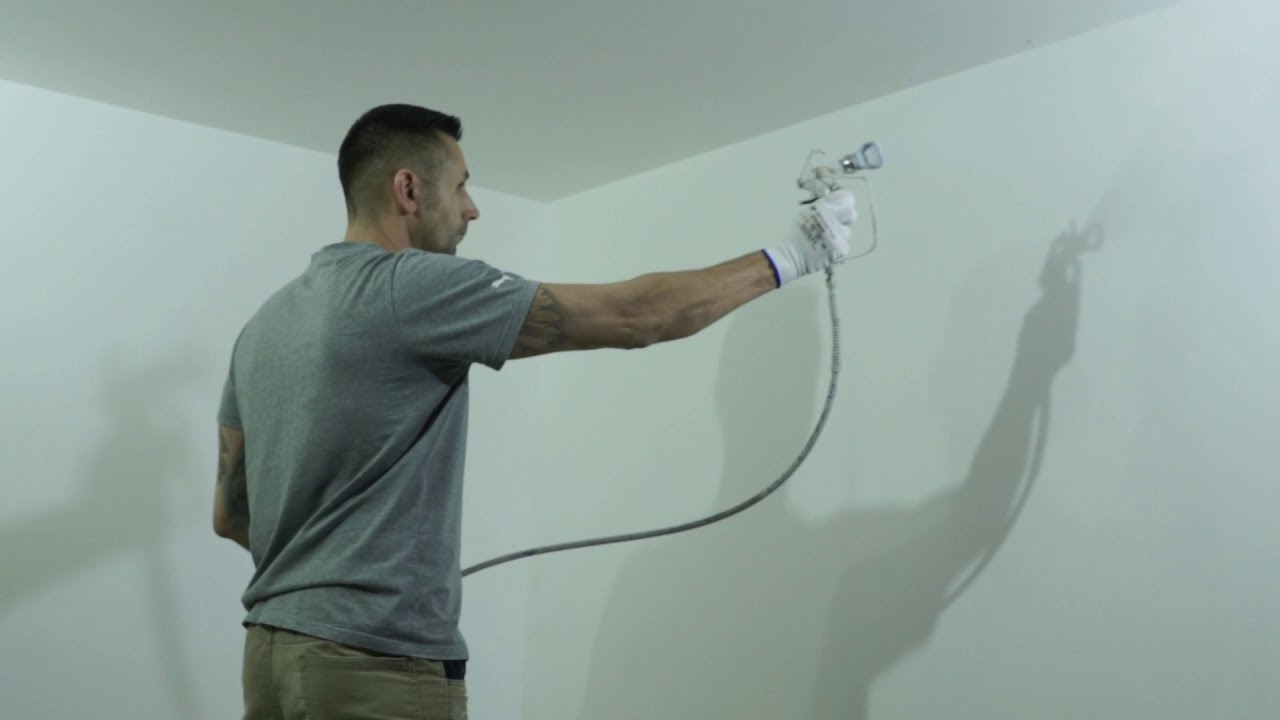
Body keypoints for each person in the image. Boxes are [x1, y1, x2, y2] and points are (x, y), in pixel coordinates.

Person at [213, 103, 857, 720]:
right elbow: (637, 316)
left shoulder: (264, 326)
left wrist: (320, 573)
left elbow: (230, 515)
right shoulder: (409, 285)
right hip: (373, 662)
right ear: (408, 190)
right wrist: (797, 254)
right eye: (461, 186)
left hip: (271, 655)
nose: (472, 208)